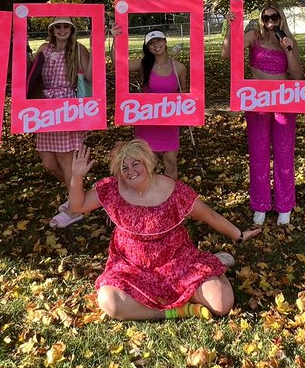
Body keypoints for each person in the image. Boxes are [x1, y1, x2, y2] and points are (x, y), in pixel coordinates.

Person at [68, 140, 259, 319]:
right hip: (131, 269)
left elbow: (210, 216)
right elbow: (78, 206)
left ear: (148, 163)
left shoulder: (174, 191)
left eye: (136, 164)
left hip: (177, 263)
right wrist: (77, 177)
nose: (130, 171)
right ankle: (180, 310)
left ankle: (214, 263)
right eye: (124, 167)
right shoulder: (112, 189)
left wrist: (239, 235)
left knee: (222, 303)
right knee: (109, 302)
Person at [222, 1, 303, 226]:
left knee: (284, 154)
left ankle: (284, 205)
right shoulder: (253, 36)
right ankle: (260, 204)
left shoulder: (289, 41)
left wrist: (287, 49)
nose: (269, 22)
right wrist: (230, 28)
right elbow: (227, 55)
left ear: (281, 18)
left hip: (284, 102)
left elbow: (297, 75)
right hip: (257, 102)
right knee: (258, 154)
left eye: (274, 18)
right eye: (266, 18)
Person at [28, 18, 92, 228]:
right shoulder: (44, 49)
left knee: (67, 162)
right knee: (48, 162)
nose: (62, 29)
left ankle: (75, 209)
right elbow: (30, 74)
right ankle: (77, 195)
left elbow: (91, 76)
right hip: (46, 109)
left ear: (72, 29)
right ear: (52, 29)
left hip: (68, 107)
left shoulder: (78, 49)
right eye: (58, 26)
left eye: (66, 26)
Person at [122, 29, 187, 178]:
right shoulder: (144, 65)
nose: (155, 45)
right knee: (148, 164)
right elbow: (119, 65)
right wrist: (115, 39)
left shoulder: (179, 67)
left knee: (171, 162)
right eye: (151, 43)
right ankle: (150, 199)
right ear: (148, 48)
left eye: (158, 40)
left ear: (165, 41)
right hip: (147, 120)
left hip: (169, 121)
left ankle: (170, 198)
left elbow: (184, 95)